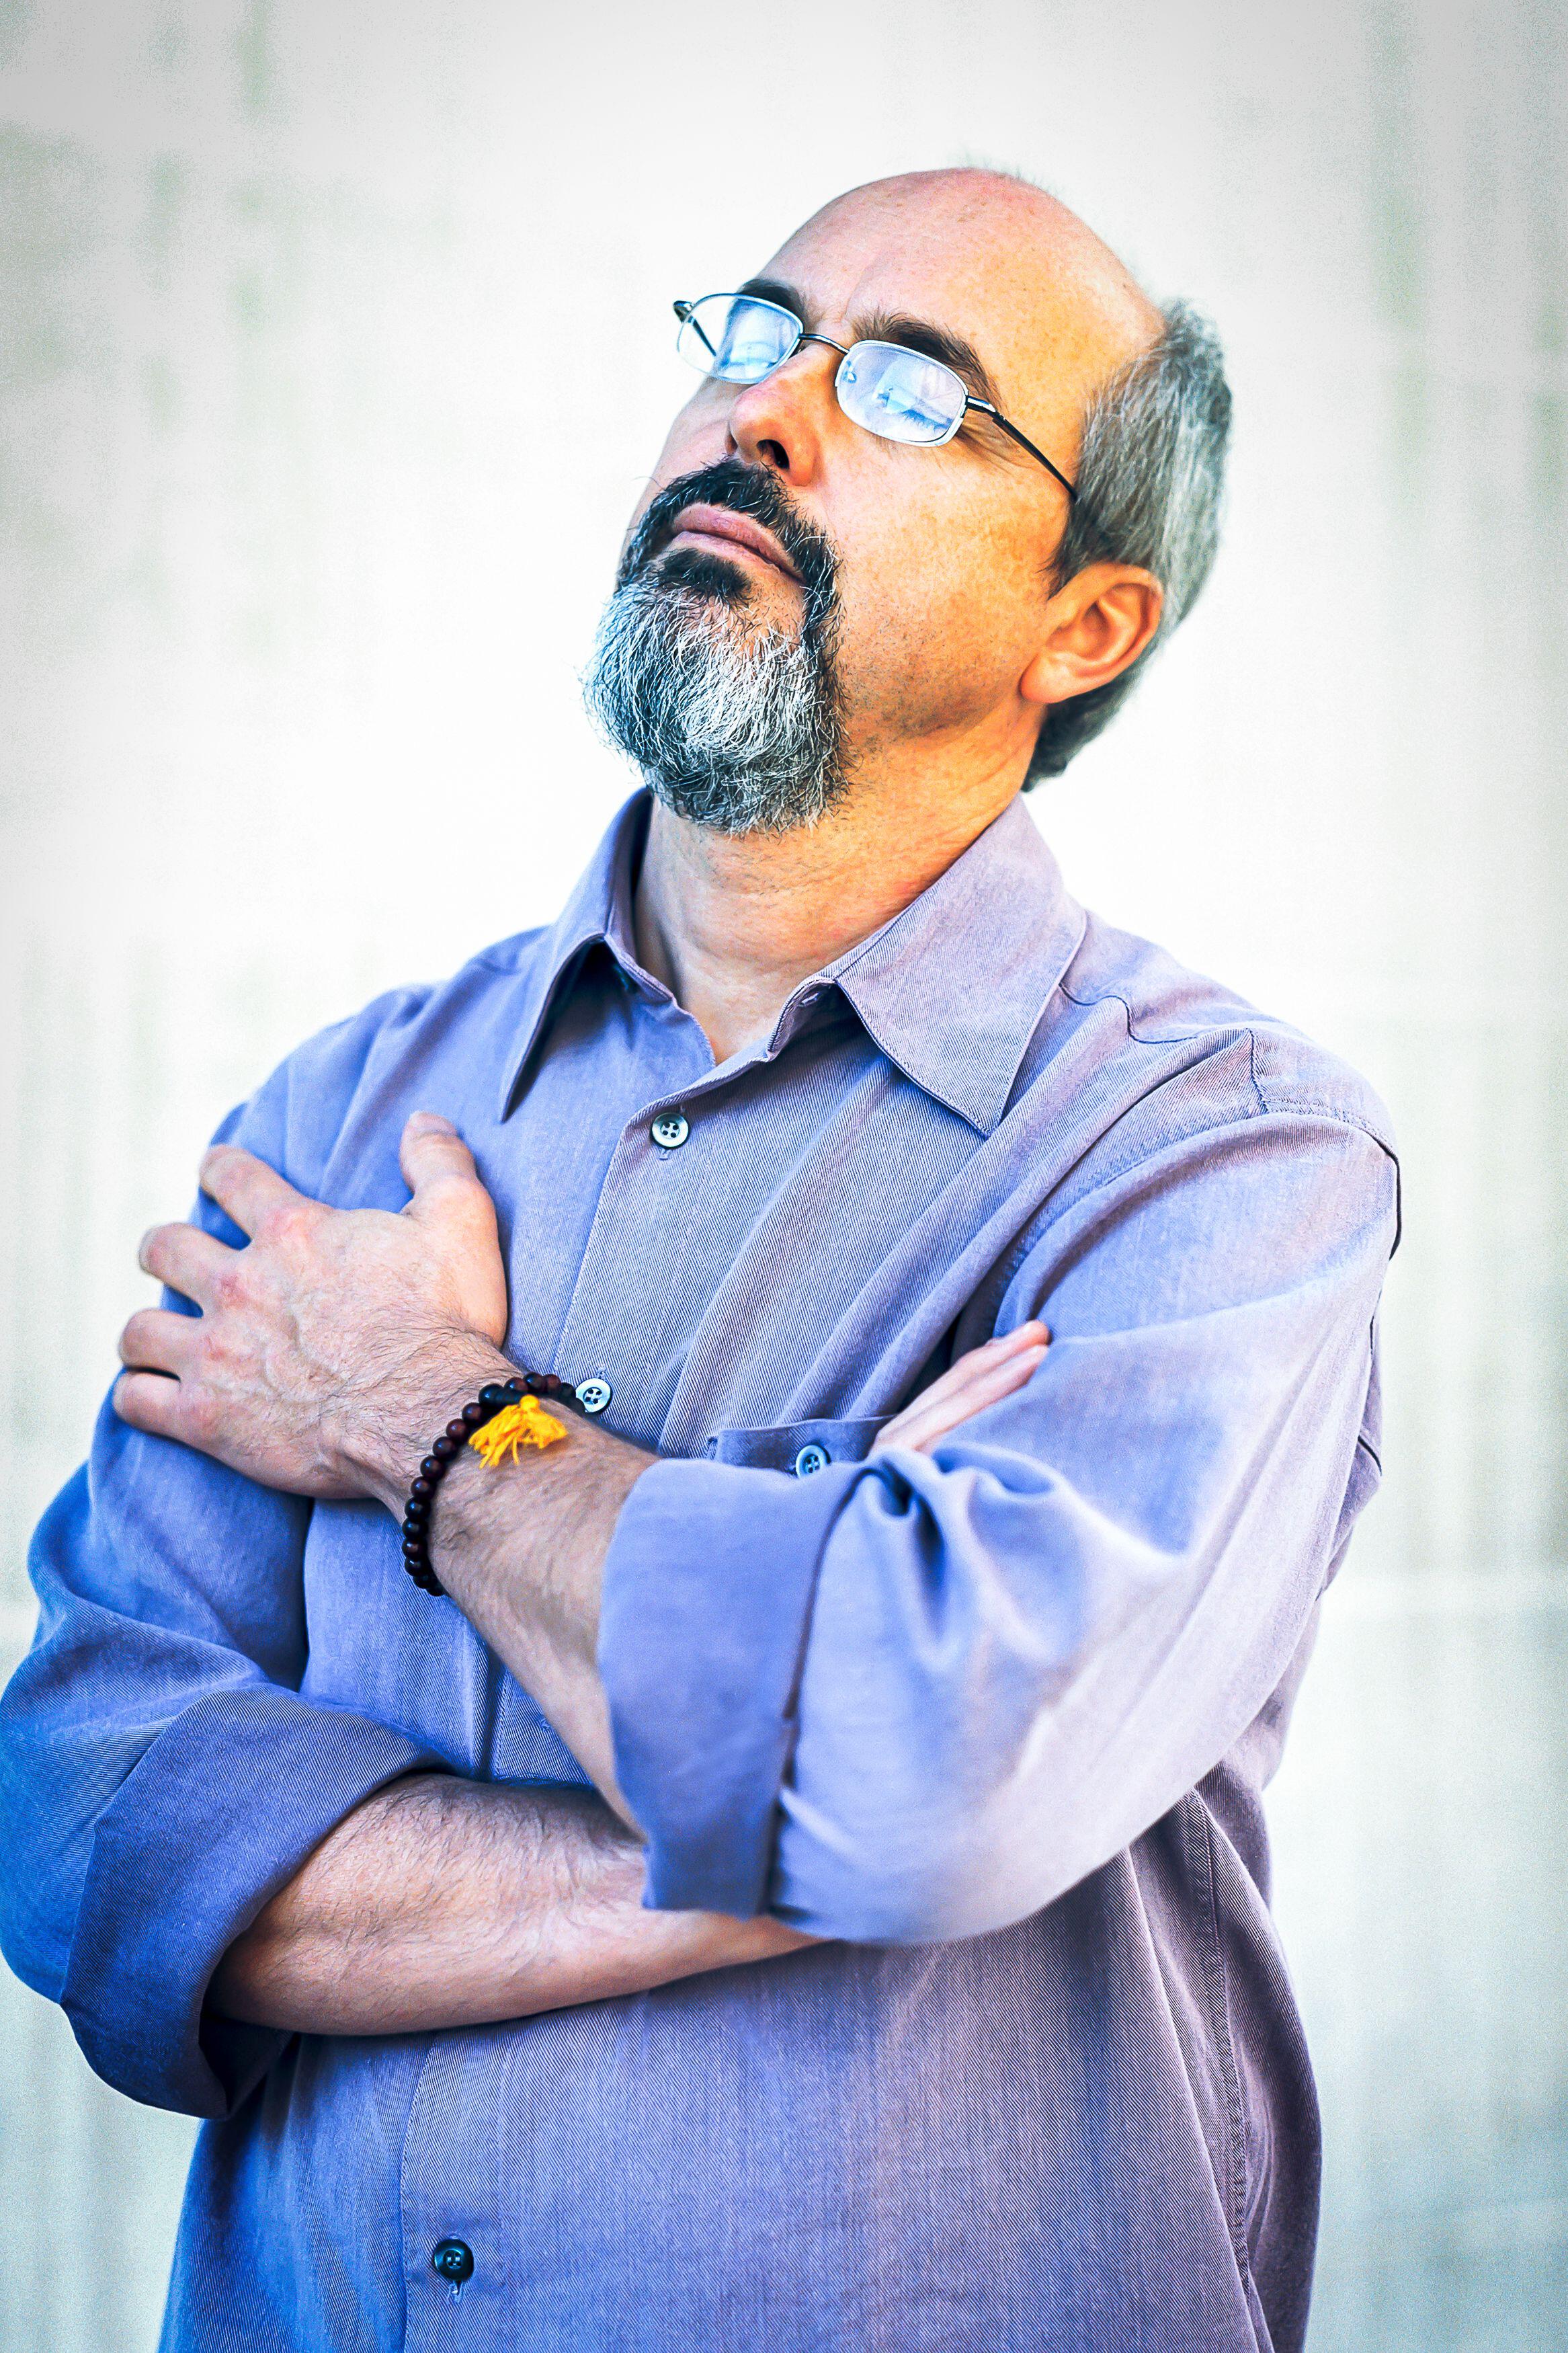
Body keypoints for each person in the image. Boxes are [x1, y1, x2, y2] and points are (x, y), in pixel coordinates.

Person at [0, 168, 1397, 2352]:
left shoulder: (1218, 1159)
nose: (768, 414)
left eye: (919, 392)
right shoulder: (343, 1121)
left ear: (1086, 624)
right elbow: (90, 1822)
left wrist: (421, 1417)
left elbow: (915, 1770)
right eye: (754, 336)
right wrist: (779, 1795)